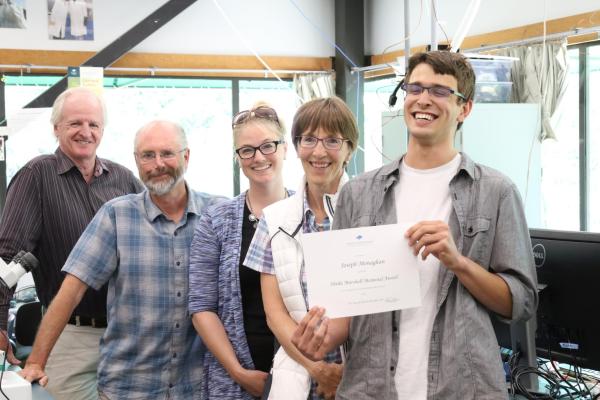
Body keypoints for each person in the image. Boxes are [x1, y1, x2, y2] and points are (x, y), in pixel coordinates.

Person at [291, 51, 539, 399]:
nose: (424, 99)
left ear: (464, 108)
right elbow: (346, 309)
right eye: (415, 88)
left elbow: (521, 303)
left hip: (463, 388)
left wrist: (458, 261)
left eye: (440, 91)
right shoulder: (358, 193)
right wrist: (319, 339)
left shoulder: (496, 192)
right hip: (371, 388)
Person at [18, 120, 225, 399]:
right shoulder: (116, 215)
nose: (157, 164)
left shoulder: (219, 214)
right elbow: (71, 291)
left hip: (197, 386)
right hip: (128, 388)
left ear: (186, 157)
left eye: (167, 153)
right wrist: (35, 362)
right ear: (137, 162)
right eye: (147, 156)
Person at [0, 87, 143, 400]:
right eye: (75, 123)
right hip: (70, 336)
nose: (86, 132)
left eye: (93, 124)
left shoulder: (123, 179)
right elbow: (9, 258)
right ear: (56, 128)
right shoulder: (36, 175)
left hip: (127, 337)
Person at [245, 97, 359, 400]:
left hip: (362, 372)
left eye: (332, 140)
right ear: (295, 146)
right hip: (296, 376)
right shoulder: (275, 219)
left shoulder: (372, 211)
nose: (319, 152)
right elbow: (275, 314)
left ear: (350, 148)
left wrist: (342, 374)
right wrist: (317, 368)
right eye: (309, 139)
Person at [189, 104, 291, 399]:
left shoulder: (309, 213)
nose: (258, 157)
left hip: (302, 372)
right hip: (233, 380)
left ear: (285, 149)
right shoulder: (216, 220)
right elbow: (201, 306)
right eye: (247, 150)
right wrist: (238, 373)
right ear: (238, 158)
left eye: (268, 146)